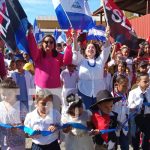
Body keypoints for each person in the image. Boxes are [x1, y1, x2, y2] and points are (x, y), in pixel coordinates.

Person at [72, 27, 111, 109]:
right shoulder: (81, 61)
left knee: (97, 116)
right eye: (88, 47)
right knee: (86, 116)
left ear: (96, 51)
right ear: (85, 51)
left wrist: (107, 37)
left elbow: (106, 50)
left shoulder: (100, 61)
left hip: (99, 94)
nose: (91, 49)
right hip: (83, 93)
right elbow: (75, 51)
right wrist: (74, 38)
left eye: (93, 47)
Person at [0, 78, 26, 150]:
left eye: (9, 94)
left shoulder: (21, 107)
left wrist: (19, 128)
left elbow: (26, 123)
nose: (5, 97)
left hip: (18, 144)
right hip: (4, 143)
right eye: (3, 94)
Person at [128, 72, 150, 150]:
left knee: (147, 136)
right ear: (138, 82)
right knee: (135, 136)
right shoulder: (132, 93)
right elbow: (130, 105)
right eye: (145, 81)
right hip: (136, 117)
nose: (147, 83)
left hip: (147, 116)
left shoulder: (149, 91)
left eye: (148, 81)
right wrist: (139, 104)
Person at [112, 75, 129, 150]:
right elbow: (110, 112)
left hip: (124, 124)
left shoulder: (125, 95)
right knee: (113, 145)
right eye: (124, 86)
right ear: (116, 84)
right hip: (115, 125)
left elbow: (126, 108)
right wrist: (116, 122)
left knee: (125, 145)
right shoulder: (112, 96)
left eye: (127, 86)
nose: (126, 88)